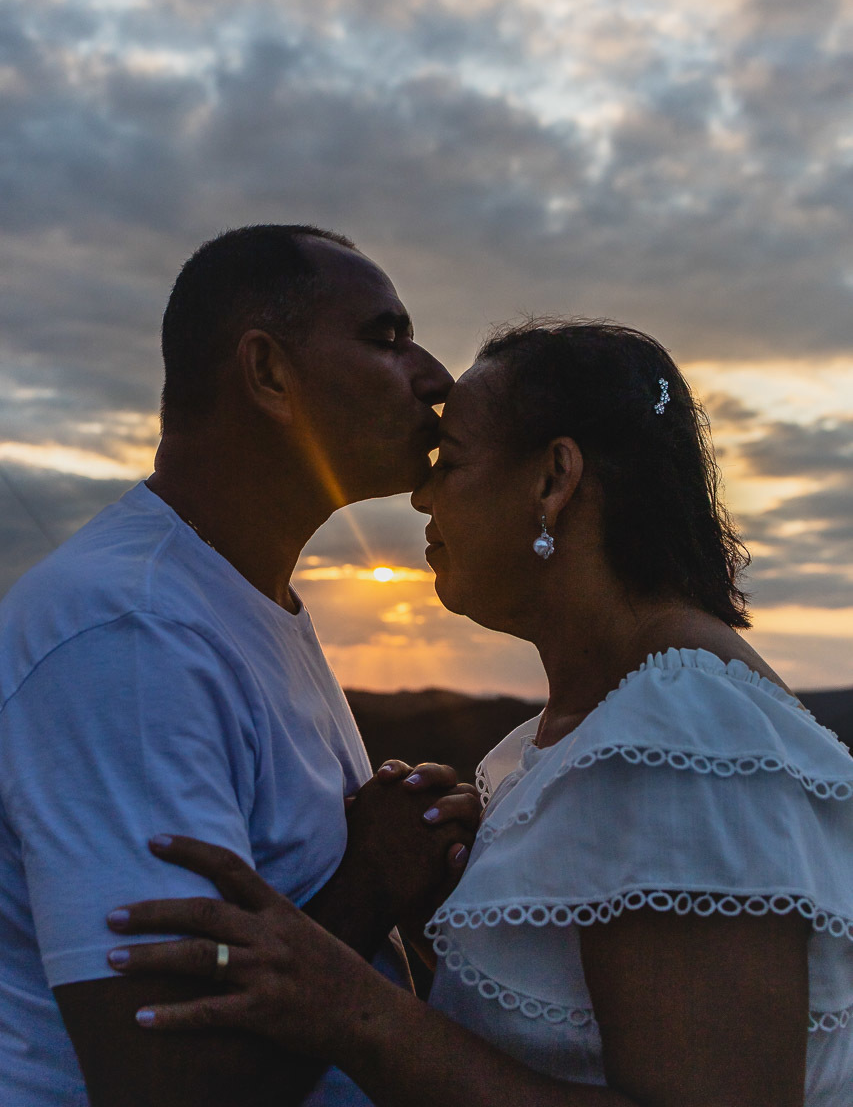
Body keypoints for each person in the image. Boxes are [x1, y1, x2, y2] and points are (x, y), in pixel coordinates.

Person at [107, 321, 853, 1106]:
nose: (423, 496)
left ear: (551, 479)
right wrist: (445, 922)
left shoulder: (679, 743)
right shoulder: (589, 728)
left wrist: (352, 1010)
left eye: (450, 462)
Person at [0, 224, 482, 1107]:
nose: (435, 378)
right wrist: (375, 875)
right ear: (266, 373)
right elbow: (165, 1083)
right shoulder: (129, 632)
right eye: (385, 337)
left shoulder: (241, 602)